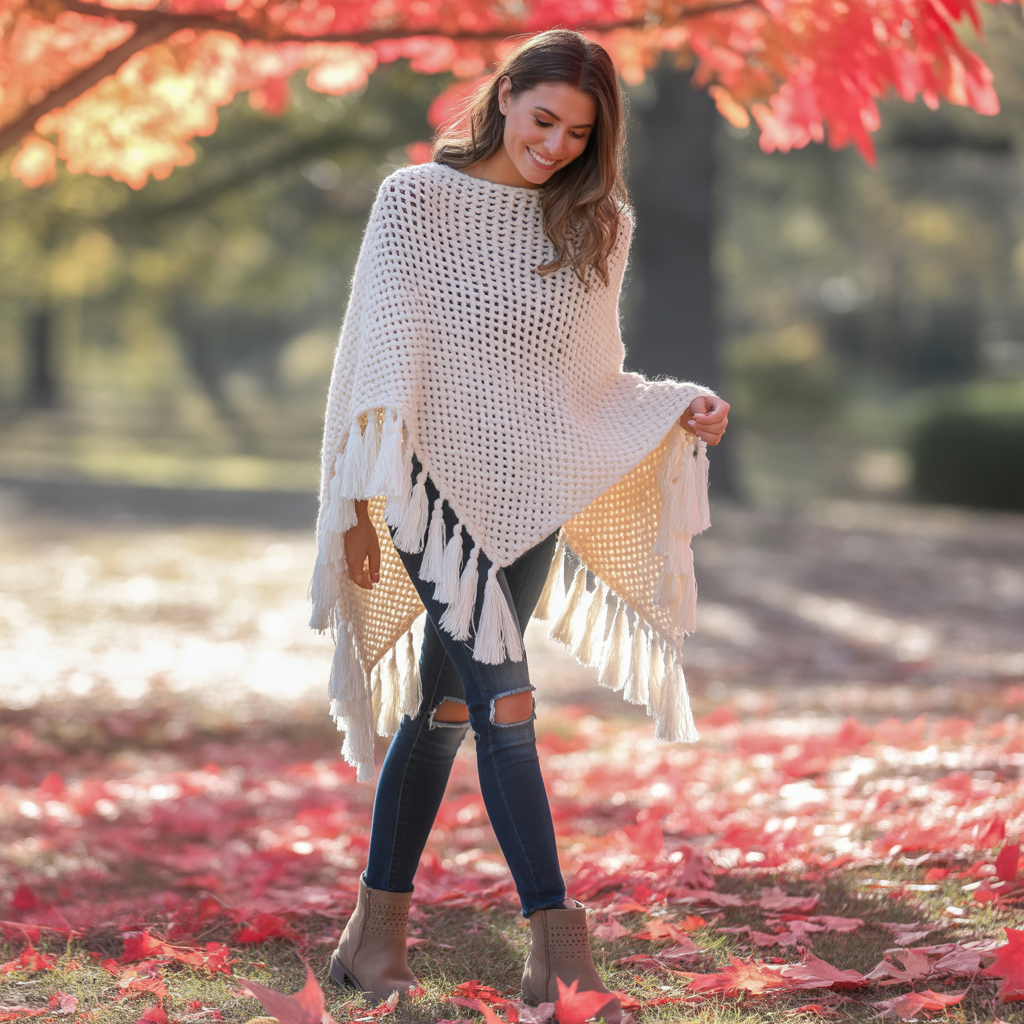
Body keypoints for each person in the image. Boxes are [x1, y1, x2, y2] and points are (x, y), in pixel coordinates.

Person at [308, 27, 730, 1021]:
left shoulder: (596, 225)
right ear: (505, 96)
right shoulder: (413, 202)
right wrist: (362, 503)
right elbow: (380, 364)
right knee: (504, 699)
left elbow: (582, 384)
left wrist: (678, 401)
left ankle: (372, 943)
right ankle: (558, 948)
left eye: (579, 134)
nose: (555, 145)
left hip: (529, 491)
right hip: (422, 490)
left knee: (448, 710)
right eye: (543, 120)